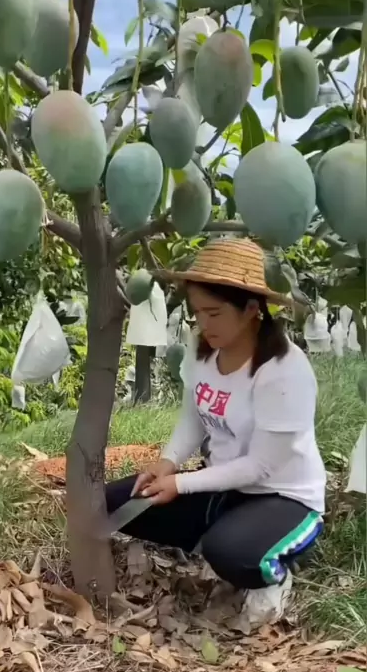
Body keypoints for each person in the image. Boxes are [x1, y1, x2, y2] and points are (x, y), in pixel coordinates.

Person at [106, 238, 326, 629]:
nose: (203, 324)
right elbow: (194, 417)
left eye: (214, 313)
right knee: (114, 502)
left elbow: (260, 467)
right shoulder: (204, 350)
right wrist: (167, 462)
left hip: (283, 497)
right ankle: (216, 536)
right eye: (197, 313)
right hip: (224, 487)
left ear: (252, 309)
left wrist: (181, 484)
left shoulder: (283, 372)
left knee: (234, 555)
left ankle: (273, 574)